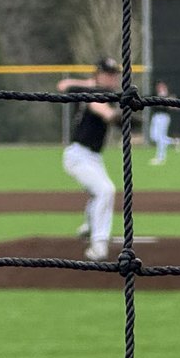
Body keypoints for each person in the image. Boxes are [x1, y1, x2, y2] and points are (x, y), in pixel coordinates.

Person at [57, 57, 123, 261]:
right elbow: (103, 111)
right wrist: (121, 115)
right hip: (78, 156)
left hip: (93, 157)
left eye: (114, 75)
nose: (111, 78)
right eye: (107, 74)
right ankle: (98, 245)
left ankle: (89, 226)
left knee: (99, 192)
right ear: (97, 74)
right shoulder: (94, 95)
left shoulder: (104, 92)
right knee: (106, 190)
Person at [148, 80, 180, 165]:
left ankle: (160, 157)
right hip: (156, 116)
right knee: (154, 137)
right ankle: (174, 141)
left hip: (163, 117)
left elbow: (174, 107)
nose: (160, 87)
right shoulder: (155, 95)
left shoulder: (168, 96)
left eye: (162, 86)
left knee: (161, 137)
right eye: (159, 86)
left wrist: (172, 103)